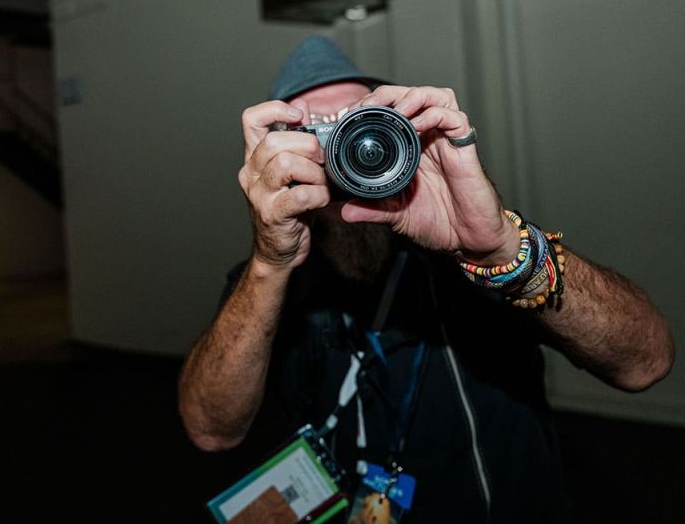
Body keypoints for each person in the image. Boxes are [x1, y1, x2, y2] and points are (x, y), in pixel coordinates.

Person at [178, 36, 673, 522]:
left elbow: (645, 362)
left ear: (397, 130)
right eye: (315, 135)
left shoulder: (472, 248)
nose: (341, 152)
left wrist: (502, 250)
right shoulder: (269, 280)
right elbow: (210, 428)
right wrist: (270, 265)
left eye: (355, 125)